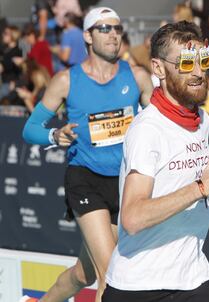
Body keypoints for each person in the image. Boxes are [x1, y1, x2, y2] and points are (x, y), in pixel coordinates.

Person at [22, 6, 153, 302]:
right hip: (85, 179)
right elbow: (30, 128)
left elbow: (160, 121)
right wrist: (55, 135)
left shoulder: (137, 77)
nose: (113, 35)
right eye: (105, 29)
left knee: (84, 274)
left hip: (125, 182)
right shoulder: (67, 80)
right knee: (112, 273)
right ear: (88, 36)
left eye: (117, 28)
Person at [103, 21, 209, 302]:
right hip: (141, 287)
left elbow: (185, 183)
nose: (199, 72)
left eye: (205, 60)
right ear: (159, 68)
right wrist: (200, 188)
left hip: (192, 276)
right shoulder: (147, 130)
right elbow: (132, 217)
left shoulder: (202, 120)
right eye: (186, 63)